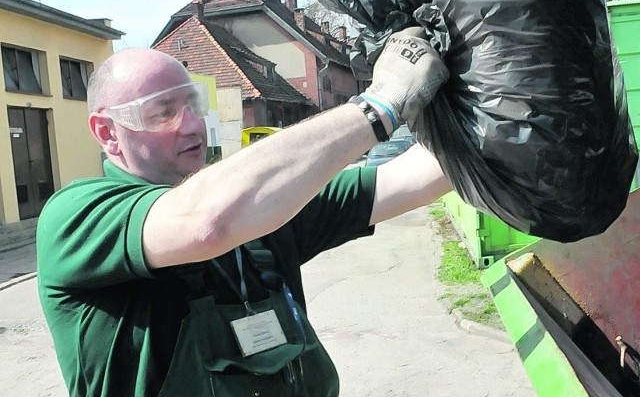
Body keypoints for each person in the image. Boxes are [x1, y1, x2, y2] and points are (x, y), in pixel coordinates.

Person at [36, 27, 451, 396]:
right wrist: (378, 106)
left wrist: (484, 105)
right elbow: (203, 224)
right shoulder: (77, 215)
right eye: (162, 111)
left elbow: (411, 180)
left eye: (193, 105)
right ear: (108, 133)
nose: (192, 126)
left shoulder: (259, 202)